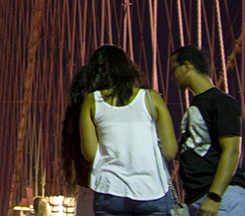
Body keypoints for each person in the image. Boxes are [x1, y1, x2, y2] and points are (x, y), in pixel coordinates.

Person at [79, 45, 178, 216]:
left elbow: (90, 154)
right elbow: (170, 152)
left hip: (110, 192)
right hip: (152, 190)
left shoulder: (92, 101)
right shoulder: (151, 98)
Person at [170, 45, 245, 215]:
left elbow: (232, 151)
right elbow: (188, 151)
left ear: (187, 65)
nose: (173, 76)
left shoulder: (221, 101)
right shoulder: (197, 106)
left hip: (222, 199)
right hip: (200, 199)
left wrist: (215, 196)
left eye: (175, 69)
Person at [62, 63, 99, 216]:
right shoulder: (101, 112)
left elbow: (70, 154)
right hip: (107, 191)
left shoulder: (73, 118)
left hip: (86, 192)